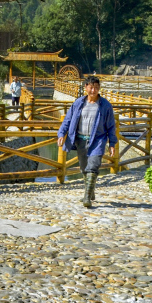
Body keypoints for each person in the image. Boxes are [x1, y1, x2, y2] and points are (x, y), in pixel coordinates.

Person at [57, 75, 117, 208]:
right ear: (86, 87)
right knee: (84, 168)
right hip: (80, 140)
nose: (93, 90)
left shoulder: (105, 106)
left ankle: (86, 197)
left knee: (93, 166)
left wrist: (112, 143)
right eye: (91, 87)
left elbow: (111, 126)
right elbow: (67, 120)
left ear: (99, 88)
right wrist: (62, 133)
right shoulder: (78, 103)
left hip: (98, 140)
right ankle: (91, 191)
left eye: (96, 88)